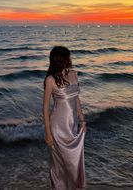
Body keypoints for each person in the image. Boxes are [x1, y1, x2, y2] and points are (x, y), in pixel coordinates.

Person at [43, 46, 86, 190]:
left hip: (72, 126)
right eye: (68, 57)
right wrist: (48, 133)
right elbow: (45, 108)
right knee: (59, 165)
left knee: (73, 161)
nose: (70, 59)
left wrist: (82, 120)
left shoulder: (73, 73)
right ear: (61, 59)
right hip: (58, 128)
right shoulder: (50, 79)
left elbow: (76, 99)